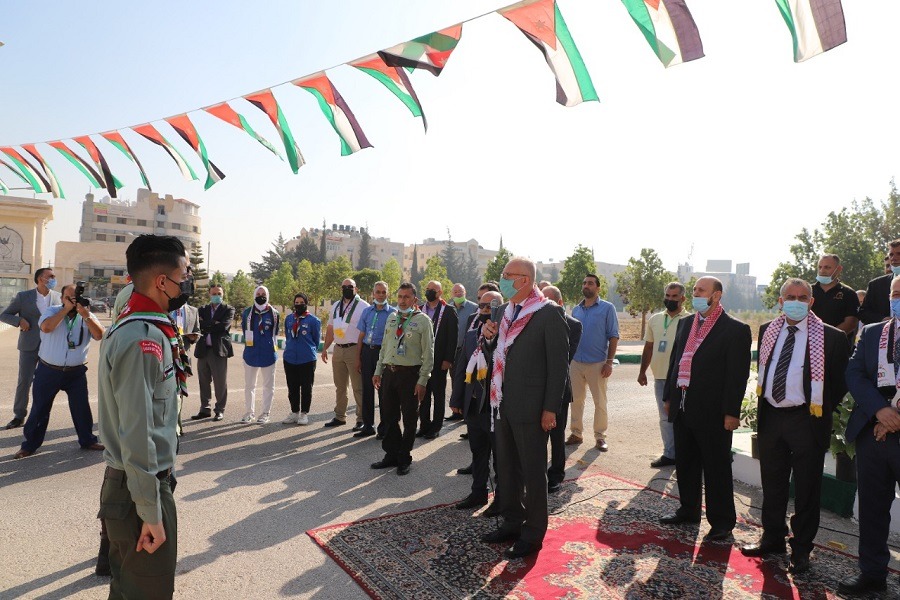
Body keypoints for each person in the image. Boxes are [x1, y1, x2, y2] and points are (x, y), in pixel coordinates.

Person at [97, 234, 190, 598]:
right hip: (140, 489)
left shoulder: (148, 326)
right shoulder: (141, 338)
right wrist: (150, 511)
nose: (189, 283)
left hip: (140, 484)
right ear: (161, 281)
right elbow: (137, 432)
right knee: (146, 592)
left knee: (129, 589)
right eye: (184, 275)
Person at [739, 278, 849, 574]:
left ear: (811, 302)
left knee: (807, 489)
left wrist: (814, 406)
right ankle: (772, 537)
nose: (796, 301)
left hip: (806, 420)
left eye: (803, 297)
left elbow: (838, 384)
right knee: (773, 483)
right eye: (791, 296)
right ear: (780, 300)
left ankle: (801, 549)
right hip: (772, 417)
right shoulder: (767, 330)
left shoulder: (833, 337)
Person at [480, 258, 568, 559]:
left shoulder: (549, 314)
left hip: (532, 408)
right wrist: (489, 339)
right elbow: (498, 354)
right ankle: (512, 522)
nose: (502, 279)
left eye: (507, 275)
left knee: (532, 472)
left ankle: (533, 533)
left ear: (525, 280)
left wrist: (550, 410)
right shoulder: (504, 311)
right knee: (506, 468)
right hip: (502, 402)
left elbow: (558, 369)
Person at [660, 276, 751, 542]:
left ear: (717, 296)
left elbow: (737, 376)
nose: (696, 294)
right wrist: (669, 396)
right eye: (695, 290)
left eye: (702, 290)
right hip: (683, 407)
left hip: (713, 413)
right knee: (686, 464)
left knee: (716, 468)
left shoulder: (735, 329)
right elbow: (675, 362)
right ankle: (688, 510)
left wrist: (731, 412)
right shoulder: (687, 323)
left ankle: (722, 522)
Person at [838, 274, 900, 595]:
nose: (897, 299)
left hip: (891, 428)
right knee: (873, 509)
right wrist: (880, 410)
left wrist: (895, 417)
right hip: (873, 433)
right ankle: (872, 573)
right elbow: (854, 372)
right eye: (895, 293)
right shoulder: (874, 332)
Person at [13, 284, 106, 458]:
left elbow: (99, 335)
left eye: (74, 298)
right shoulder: (51, 311)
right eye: (67, 298)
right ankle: (29, 445)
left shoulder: (87, 315)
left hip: (76, 372)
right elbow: (47, 328)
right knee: (40, 409)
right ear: (61, 298)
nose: (71, 301)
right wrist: (65, 310)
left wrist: (85, 315)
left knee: (81, 408)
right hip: (48, 370)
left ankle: (88, 440)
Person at [372, 282, 434, 475]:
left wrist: (422, 380)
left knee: (409, 419)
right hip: (390, 373)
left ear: (415, 300)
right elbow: (384, 346)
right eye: (400, 297)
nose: (402, 300)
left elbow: (429, 354)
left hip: (410, 375)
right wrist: (378, 371)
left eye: (407, 297)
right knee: (389, 416)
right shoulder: (392, 317)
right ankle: (391, 454)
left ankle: (404, 457)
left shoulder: (423, 321)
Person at [451, 288, 502, 510]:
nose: (483, 310)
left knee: (500, 457)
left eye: (489, 307)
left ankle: (501, 498)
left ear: (499, 310)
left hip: (495, 405)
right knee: (478, 451)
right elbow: (461, 366)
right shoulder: (472, 332)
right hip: (473, 404)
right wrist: (456, 399)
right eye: (481, 305)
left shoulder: (507, 334)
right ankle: (478, 493)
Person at [1, 267, 62, 429]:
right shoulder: (24, 297)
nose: (53, 279)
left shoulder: (58, 297)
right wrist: (20, 321)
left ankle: (40, 415)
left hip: (50, 345)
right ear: (41, 278)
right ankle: (19, 415)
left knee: (46, 382)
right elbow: (4, 315)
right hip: (29, 346)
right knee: (25, 380)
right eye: (51, 276)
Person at [638, 282, 690, 468]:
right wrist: (642, 371)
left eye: (674, 296)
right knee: (665, 416)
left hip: (683, 378)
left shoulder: (691, 320)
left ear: (683, 298)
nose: (670, 299)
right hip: (660, 377)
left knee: (684, 417)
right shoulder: (655, 319)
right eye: (667, 295)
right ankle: (670, 454)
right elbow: (649, 346)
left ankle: (686, 455)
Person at [567, 273, 619, 451]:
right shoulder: (576, 310)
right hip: (576, 362)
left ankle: (600, 436)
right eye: (584, 283)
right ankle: (576, 433)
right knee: (576, 400)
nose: (586, 286)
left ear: (598, 288)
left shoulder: (607, 308)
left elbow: (613, 336)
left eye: (590, 283)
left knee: (600, 402)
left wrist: (609, 362)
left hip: (598, 363)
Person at [542, 285, 581, 494]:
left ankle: (556, 475)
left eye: (548, 300)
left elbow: (563, 359)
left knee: (557, 435)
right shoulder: (533, 320)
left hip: (558, 389)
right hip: (534, 388)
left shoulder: (574, 325)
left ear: (559, 302)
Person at [321, 278, 369, 429]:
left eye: (350, 286)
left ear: (356, 289)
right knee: (340, 386)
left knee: (358, 387)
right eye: (344, 287)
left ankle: (361, 419)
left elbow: (366, 331)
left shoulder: (363, 307)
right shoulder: (336, 306)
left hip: (354, 349)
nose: (347, 289)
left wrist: (363, 353)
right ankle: (340, 416)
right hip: (338, 349)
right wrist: (325, 348)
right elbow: (330, 328)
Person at [417, 280, 458, 439]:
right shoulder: (419, 309)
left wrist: (448, 359)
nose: (429, 292)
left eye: (433, 290)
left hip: (439, 361)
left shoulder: (448, 310)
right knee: (423, 395)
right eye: (427, 289)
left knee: (438, 395)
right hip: (421, 361)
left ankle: (436, 427)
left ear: (440, 293)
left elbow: (452, 338)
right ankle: (424, 425)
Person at [354, 282, 395, 437]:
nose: (380, 295)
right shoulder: (366, 312)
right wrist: (358, 358)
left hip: (382, 355)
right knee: (367, 390)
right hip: (366, 353)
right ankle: (368, 425)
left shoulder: (393, 313)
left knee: (384, 392)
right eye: (378, 292)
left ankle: (384, 428)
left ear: (387, 294)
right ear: (373, 293)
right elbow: (361, 336)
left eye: (384, 292)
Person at [191, 285, 235, 421]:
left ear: (223, 294)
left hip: (218, 351)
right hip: (204, 350)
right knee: (203, 381)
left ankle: (219, 410)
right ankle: (205, 409)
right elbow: (199, 325)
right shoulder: (202, 310)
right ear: (209, 294)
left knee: (220, 382)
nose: (217, 295)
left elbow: (224, 326)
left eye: (219, 293)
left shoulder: (228, 309)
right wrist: (214, 323)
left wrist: (208, 324)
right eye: (214, 293)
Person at [240, 285, 280, 424]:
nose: (261, 296)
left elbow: (275, 333)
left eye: (263, 293)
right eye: (258, 293)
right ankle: (249, 412)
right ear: (254, 295)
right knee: (249, 385)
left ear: (267, 295)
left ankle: (265, 413)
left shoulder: (274, 313)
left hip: (268, 354)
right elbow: (245, 330)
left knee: (268, 386)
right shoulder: (247, 313)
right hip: (251, 354)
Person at [282, 293, 321, 426]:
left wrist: (307, 349)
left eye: (301, 302)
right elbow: (288, 336)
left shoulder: (313, 320)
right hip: (290, 358)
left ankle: (304, 413)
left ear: (306, 303)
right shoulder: (289, 319)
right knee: (292, 387)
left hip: (307, 359)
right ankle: (294, 412)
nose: (298, 305)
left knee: (306, 387)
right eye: (296, 302)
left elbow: (316, 340)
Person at [448, 283, 478, 422]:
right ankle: (457, 410)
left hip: (467, 351)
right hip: (452, 351)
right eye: (456, 292)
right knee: (456, 380)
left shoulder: (474, 308)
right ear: (451, 294)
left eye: (461, 291)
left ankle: (467, 412)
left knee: (468, 380)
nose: (458, 294)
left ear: (465, 293)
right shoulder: (448, 309)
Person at [810, 254, 859, 336]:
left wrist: (829, 337)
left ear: (839, 269)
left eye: (827, 267)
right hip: (810, 341)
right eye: (820, 267)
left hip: (837, 343)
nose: (822, 271)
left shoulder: (849, 293)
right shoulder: (808, 291)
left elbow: (851, 323)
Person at [858, 239, 900, 324]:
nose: (894, 258)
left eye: (899, 254)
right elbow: (864, 313)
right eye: (891, 254)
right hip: (883, 334)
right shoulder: (876, 285)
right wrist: (882, 319)